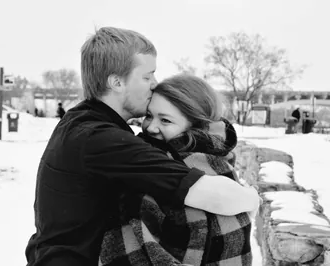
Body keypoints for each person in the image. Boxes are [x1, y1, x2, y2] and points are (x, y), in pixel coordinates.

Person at [25, 27, 260, 266]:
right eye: (147, 76)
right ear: (117, 82)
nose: (154, 84)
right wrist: (253, 199)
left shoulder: (83, 121)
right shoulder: (100, 138)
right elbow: (201, 190)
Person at [99, 74, 253, 266]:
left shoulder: (162, 171)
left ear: (196, 125)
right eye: (149, 116)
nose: (151, 127)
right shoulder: (220, 161)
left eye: (165, 121)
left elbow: (127, 245)